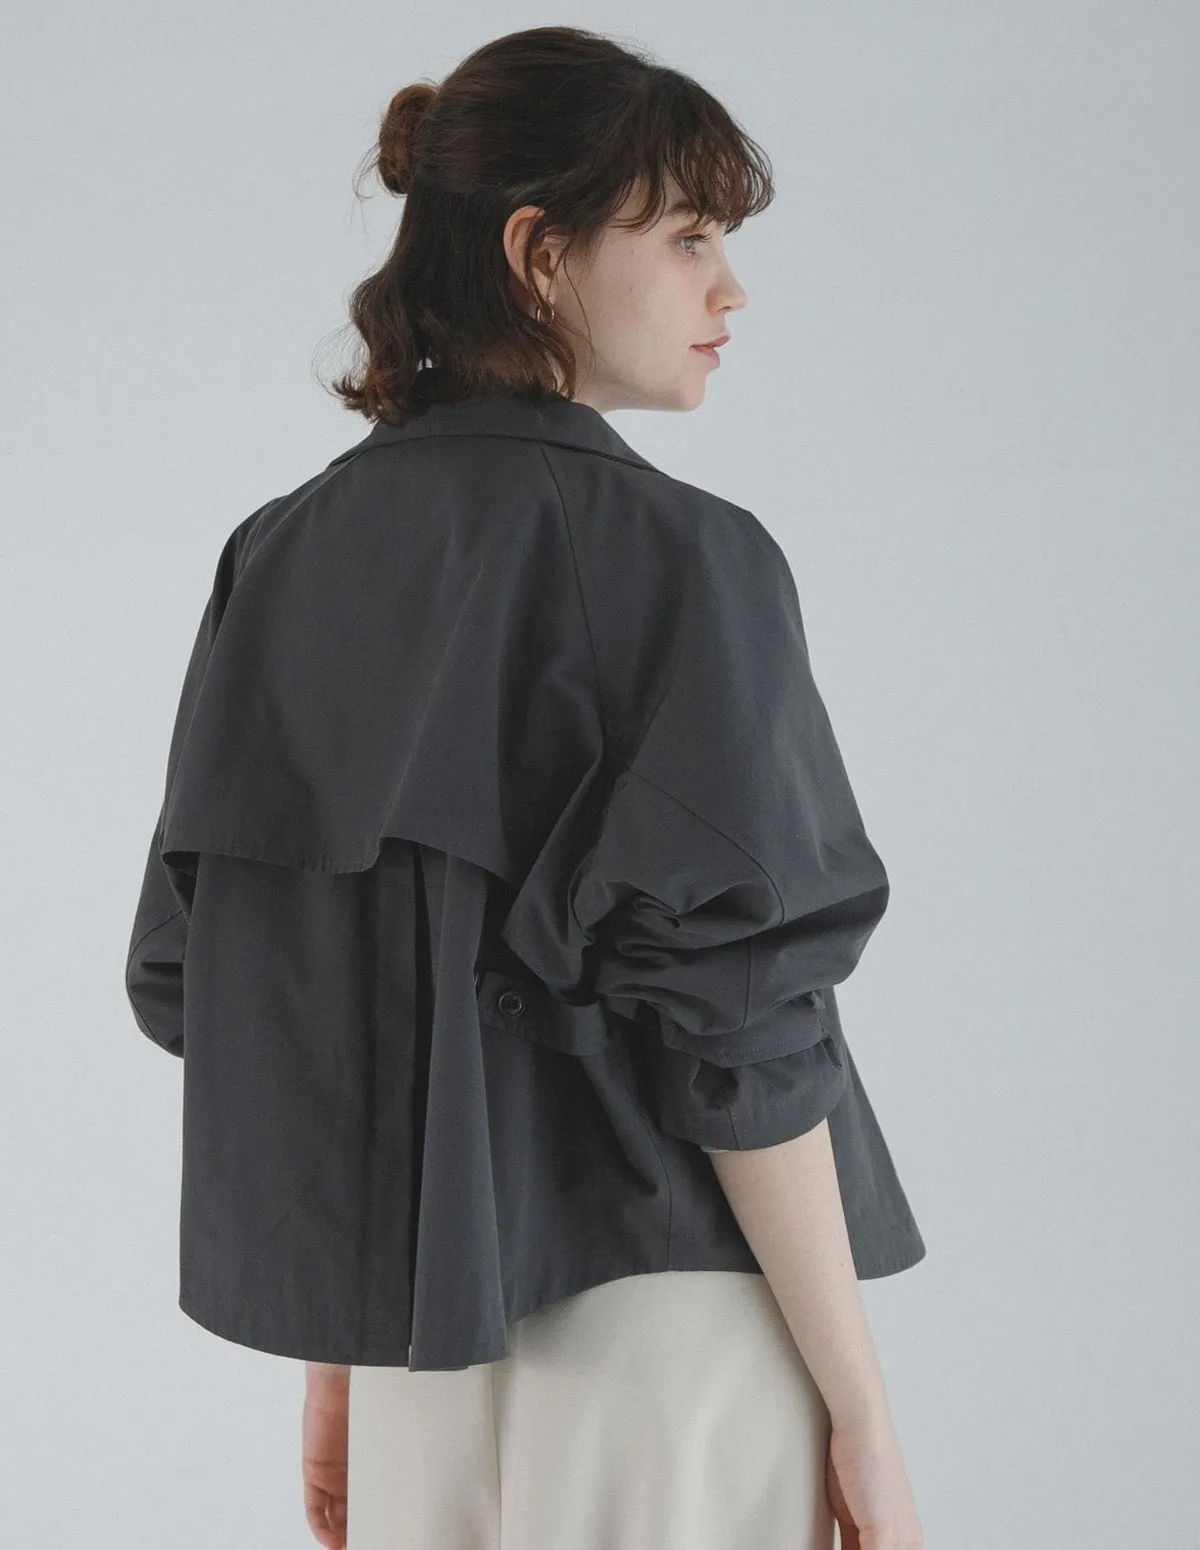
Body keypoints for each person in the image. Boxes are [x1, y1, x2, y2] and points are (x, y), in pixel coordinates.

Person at [126, 24, 925, 1550]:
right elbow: (746, 1019)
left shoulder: (283, 557)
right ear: (539, 253)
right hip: (672, 1342)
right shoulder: (689, 561)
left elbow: (238, 983)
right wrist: (864, 1407)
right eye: (686, 236)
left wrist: (344, 1359)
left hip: (424, 1352)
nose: (730, 291)